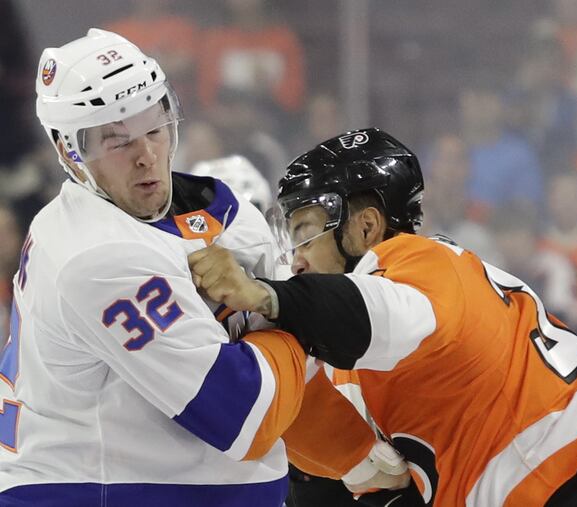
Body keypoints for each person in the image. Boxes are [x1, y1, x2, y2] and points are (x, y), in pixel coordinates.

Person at [0, 30, 393, 507]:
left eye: (154, 127)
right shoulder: (95, 255)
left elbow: (284, 381)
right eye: (116, 141)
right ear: (70, 152)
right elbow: (242, 414)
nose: (146, 154)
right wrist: (285, 304)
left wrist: (359, 457)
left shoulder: (230, 216)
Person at [189, 128, 577, 506]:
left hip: (572, 482)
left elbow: (375, 312)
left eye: (304, 231)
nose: (294, 259)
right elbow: (363, 475)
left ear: (365, 226)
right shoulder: (366, 343)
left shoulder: (418, 262)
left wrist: (265, 295)